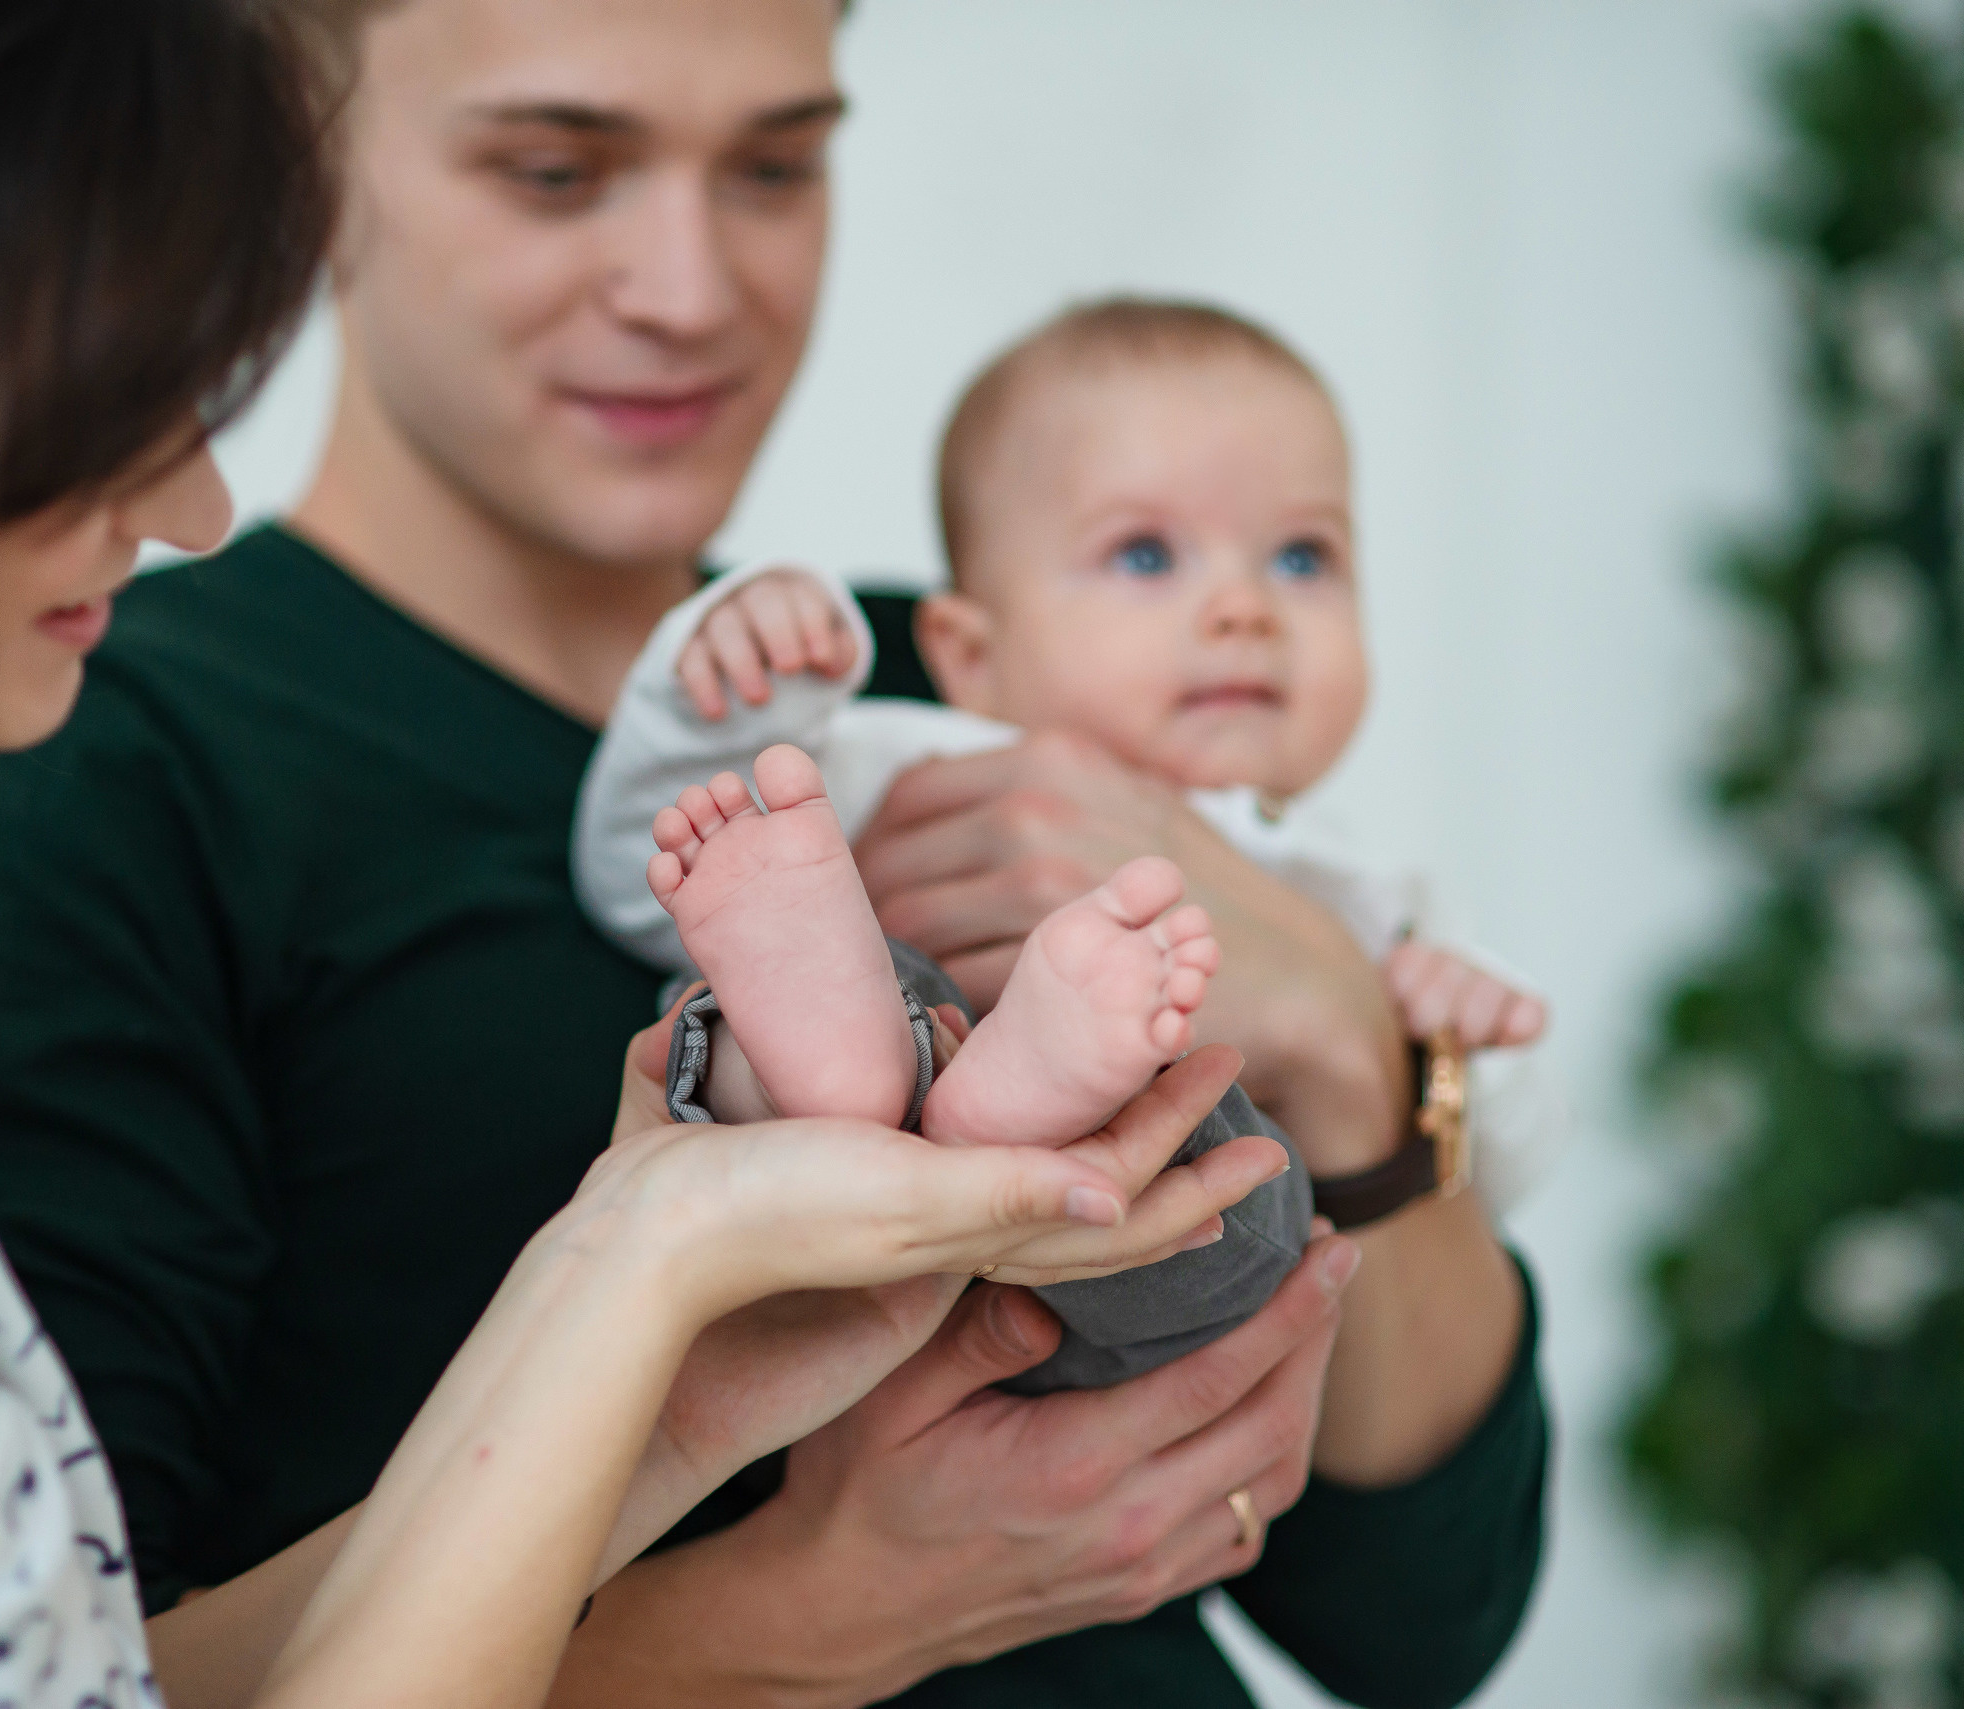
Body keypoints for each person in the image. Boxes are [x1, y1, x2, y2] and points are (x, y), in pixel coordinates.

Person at [0, 2, 1284, 1705]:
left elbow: (82, 1679)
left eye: (782, 160)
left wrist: (658, 1346)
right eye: (119, 404)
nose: (194, 506)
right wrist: (671, 1338)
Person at [0, 2, 1549, 1704]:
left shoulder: (978, 689)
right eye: (555, 169)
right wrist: (815, 1614)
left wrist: (1352, 1046)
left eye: (773, 164)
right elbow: (79, 1674)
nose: (688, 289)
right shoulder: (81, 760)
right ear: (299, 161)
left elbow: (1421, 1622)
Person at [578, 297, 1564, 1389]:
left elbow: (1504, 1171)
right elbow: (642, 880)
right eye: (1146, 555)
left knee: (1232, 1165)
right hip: (831, 1271)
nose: (1243, 607)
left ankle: (1053, 1095)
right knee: (749, 1011)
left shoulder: (1352, 889)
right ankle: (854, 1058)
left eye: (1300, 557)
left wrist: (1418, 1024)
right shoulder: (902, 756)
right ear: (967, 653)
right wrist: (716, 697)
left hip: (1121, 1298)